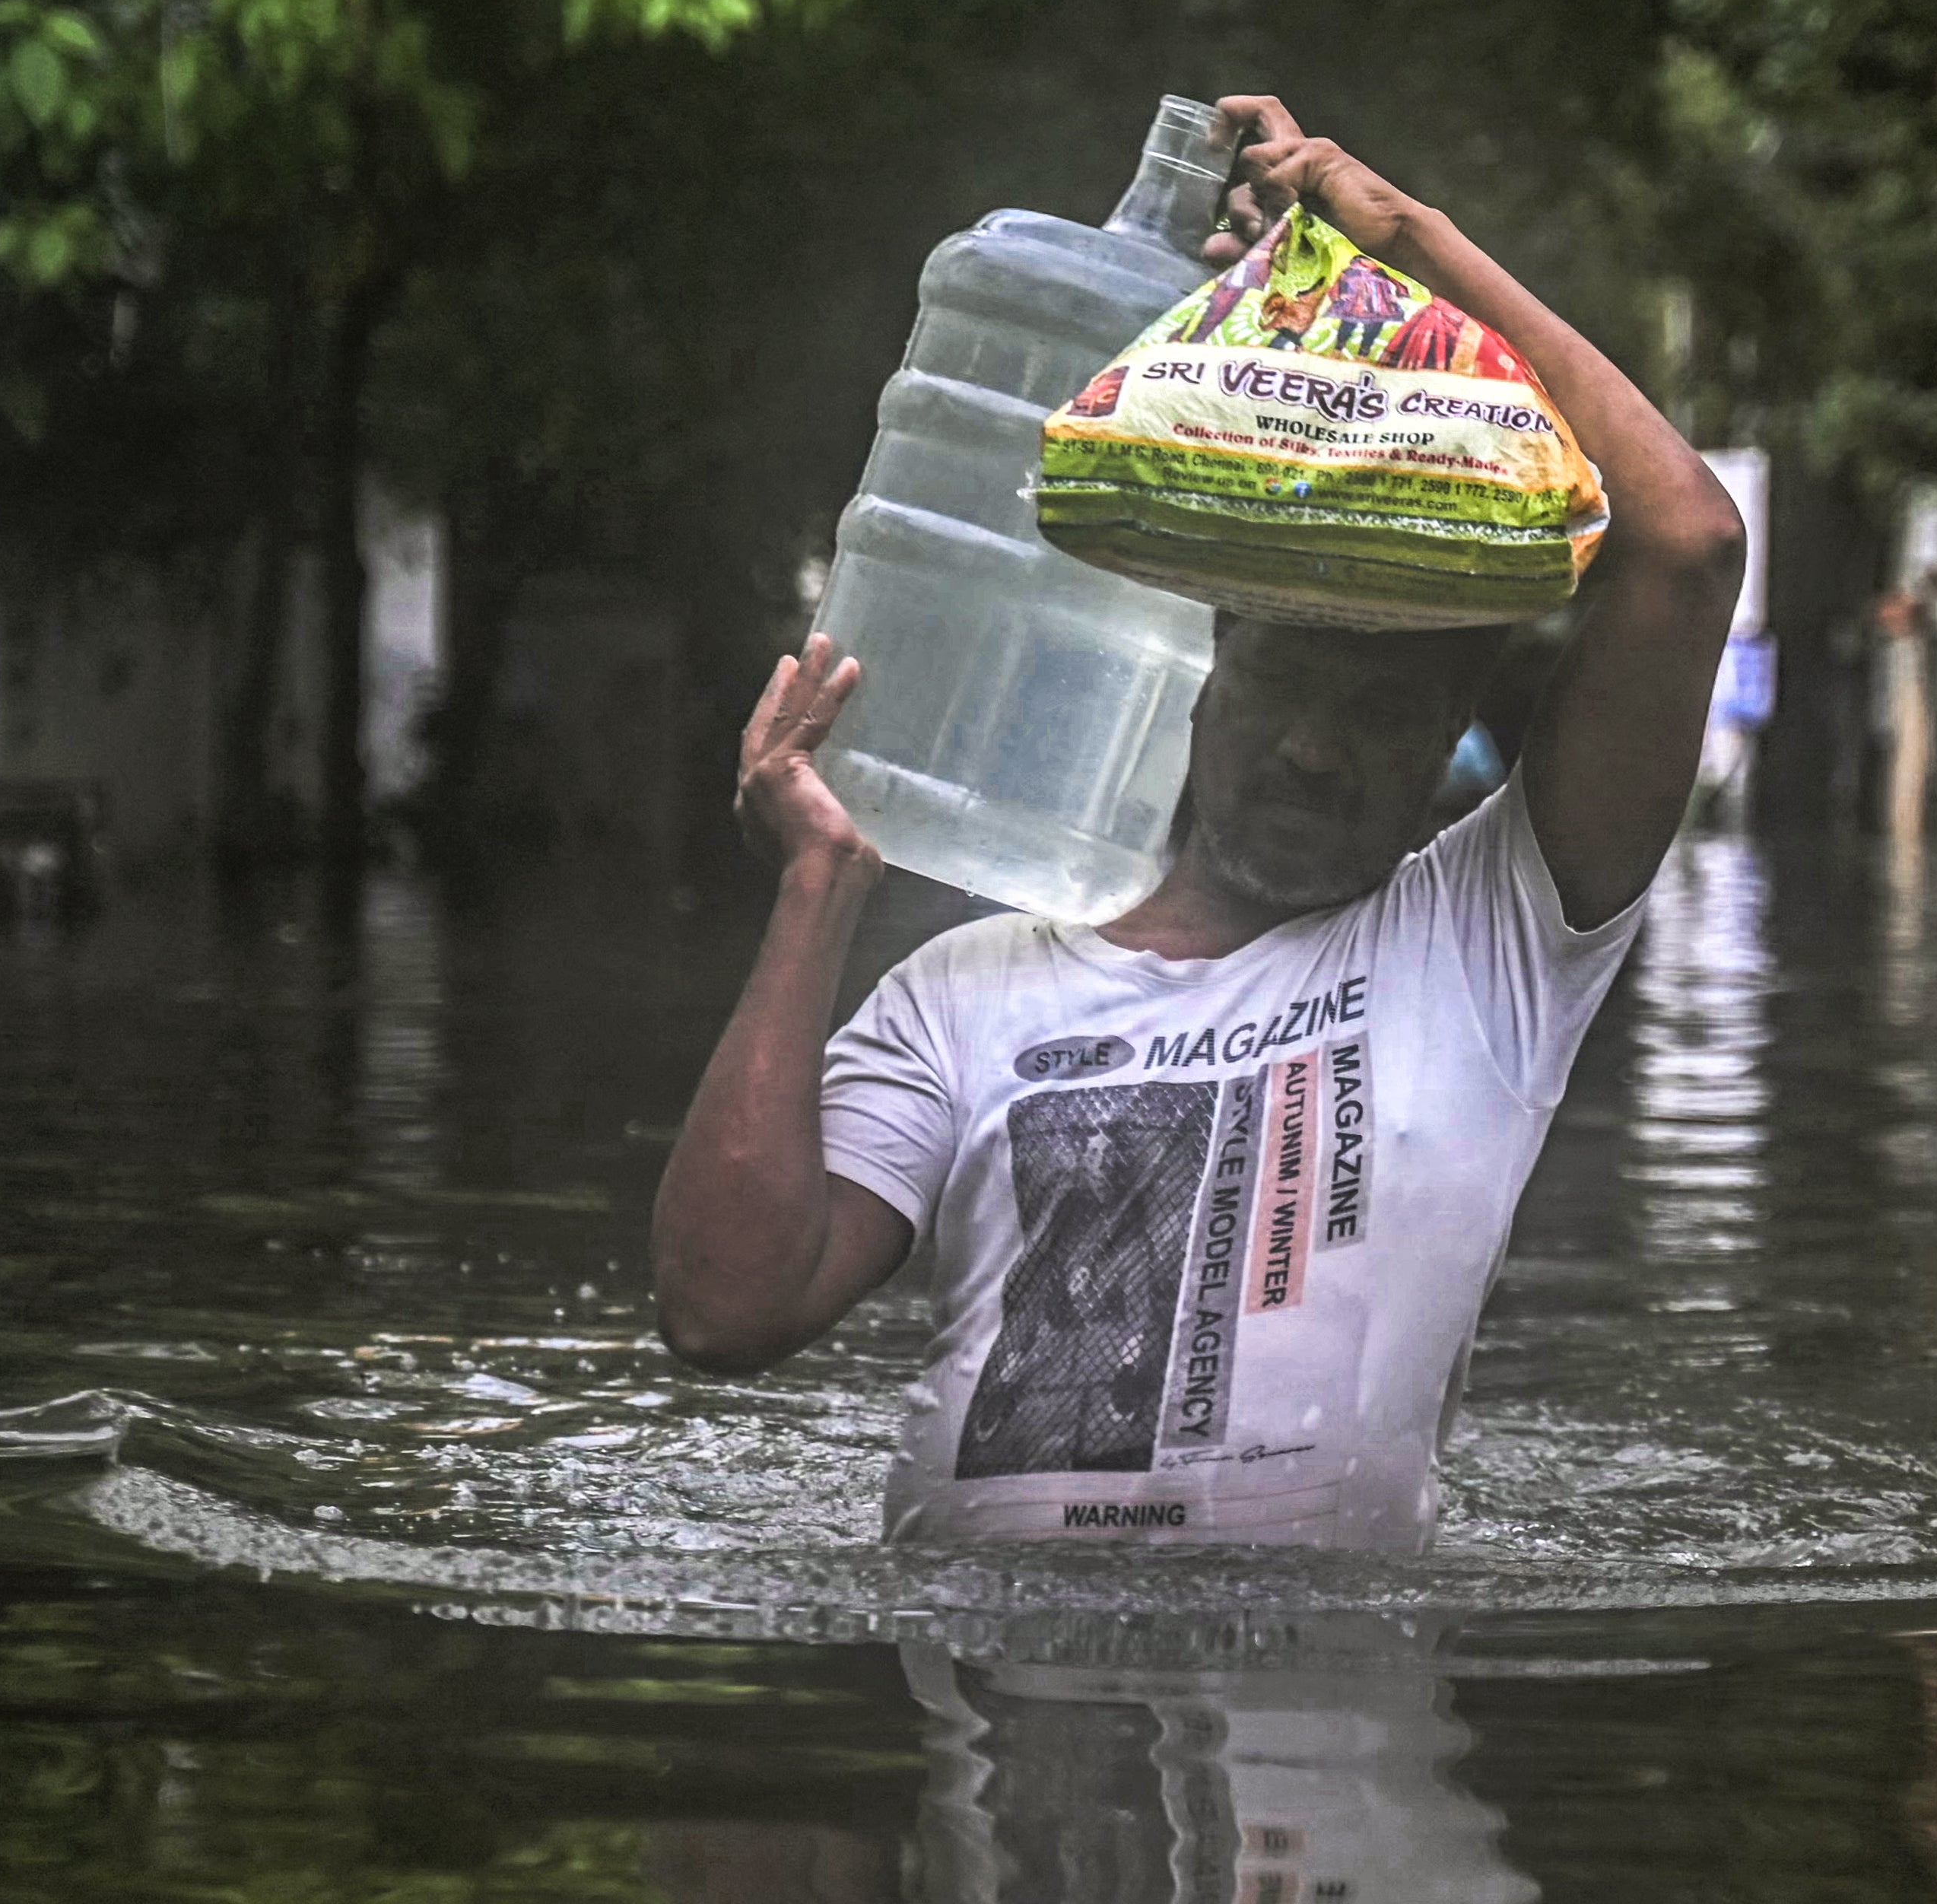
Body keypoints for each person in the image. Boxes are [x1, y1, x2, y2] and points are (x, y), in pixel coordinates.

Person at [653, 95, 1742, 1551]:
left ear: (1453, 747)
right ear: (1202, 669)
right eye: (1287, 680)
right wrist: (818, 884)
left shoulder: (1486, 951)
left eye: (1379, 713)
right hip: (995, 1697)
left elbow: (1689, 544)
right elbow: (724, 1312)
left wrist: (1401, 241)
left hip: (1324, 1716)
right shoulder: (965, 997)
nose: (1312, 747)